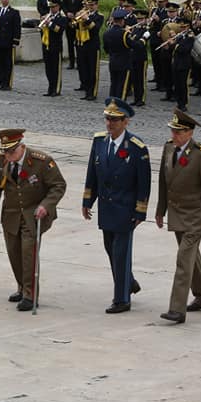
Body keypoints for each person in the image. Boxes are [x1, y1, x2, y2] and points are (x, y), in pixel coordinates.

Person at [82, 97, 151, 314]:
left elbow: (144, 182)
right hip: (106, 206)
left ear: (126, 122)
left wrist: (140, 210)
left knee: (121, 252)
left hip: (125, 208)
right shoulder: (99, 141)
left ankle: (122, 299)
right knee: (110, 249)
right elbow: (92, 173)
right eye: (108, 119)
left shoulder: (137, 147)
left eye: (115, 120)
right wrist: (87, 200)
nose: (110, 123)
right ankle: (128, 282)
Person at [154, 110, 201, 324]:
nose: (174, 135)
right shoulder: (168, 148)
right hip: (177, 214)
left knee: (183, 260)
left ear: (190, 133)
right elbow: (164, 182)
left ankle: (177, 309)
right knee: (192, 259)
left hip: (196, 216)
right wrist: (160, 210)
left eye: (179, 132)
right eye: (173, 131)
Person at [0, 128, 66, 311]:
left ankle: (31, 295)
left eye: (12, 151)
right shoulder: (3, 161)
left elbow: (58, 185)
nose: (9, 155)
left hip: (33, 215)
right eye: (5, 151)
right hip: (12, 214)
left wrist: (46, 205)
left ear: (22, 147)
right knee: (14, 253)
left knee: (28, 253)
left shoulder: (41, 161)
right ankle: (22, 286)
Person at [74, 0, 103, 101]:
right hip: (82, 45)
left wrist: (87, 19)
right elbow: (75, 27)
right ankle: (87, 91)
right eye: (88, 5)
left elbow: (95, 29)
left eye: (92, 5)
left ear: (96, 5)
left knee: (92, 70)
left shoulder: (99, 16)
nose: (90, 7)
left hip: (93, 46)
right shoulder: (83, 14)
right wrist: (77, 19)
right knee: (84, 69)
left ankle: (93, 93)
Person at [102, 9, 133, 99]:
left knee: (114, 84)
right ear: (122, 21)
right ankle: (120, 106)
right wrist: (144, 38)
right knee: (122, 86)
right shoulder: (124, 34)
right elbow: (134, 45)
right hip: (124, 63)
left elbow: (106, 49)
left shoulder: (106, 33)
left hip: (112, 61)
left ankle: (112, 104)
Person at [39, 0, 68, 96]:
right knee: (48, 69)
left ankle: (56, 89)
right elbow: (42, 31)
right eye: (50, 7)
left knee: (56, 69)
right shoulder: (48, 16)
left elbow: (59, 30)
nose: (51, 9)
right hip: (46, 46)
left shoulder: (62, 18)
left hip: (56, 46)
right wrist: (43, 22)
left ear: (58, 7)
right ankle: (50, 88)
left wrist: (49, 23)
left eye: (54, 7)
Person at [61, 0, 87, 70]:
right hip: (68, 21)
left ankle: (79, 62)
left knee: (78, 43)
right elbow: (63, 5)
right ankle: (71, 63)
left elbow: (84, 6)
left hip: (78, 22)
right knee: (70, 42)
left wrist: (77, 14)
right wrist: (67, 12)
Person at [170, 18, 195, 111]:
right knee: (177, 84)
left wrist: (173, 44)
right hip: (176, 62)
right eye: (180, 27)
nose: (181, 29)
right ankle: (179, 102)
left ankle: (184, 103)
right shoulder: (180, 35)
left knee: (183, 84)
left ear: (188, 26)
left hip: (184, 63)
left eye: (183, 27)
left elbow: (184, 49)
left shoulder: (190, 36)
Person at [127, 9, 150, 107]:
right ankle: (136, 98)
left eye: (141, 19)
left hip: (141, 57)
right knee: (134, 79)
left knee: (141, 80)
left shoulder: (146, 30)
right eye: (138, 19)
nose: (139, 21)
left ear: (145, 19)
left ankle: (141, 99)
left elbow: (140, 45)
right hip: (133, 57)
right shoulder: (134, 29)